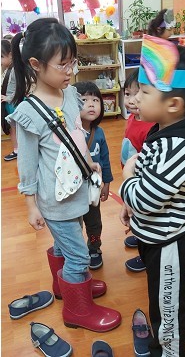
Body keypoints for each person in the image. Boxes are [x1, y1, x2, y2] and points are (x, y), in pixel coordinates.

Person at [6, 18, 121, 333]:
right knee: (79, 255)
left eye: (73, 62)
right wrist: (31, 205)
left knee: (66, 245)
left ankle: (65, 285)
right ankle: (77, 309)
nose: (71, 71)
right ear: (35, 64)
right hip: (55, 200)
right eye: (63, 64)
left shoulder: (69, 94)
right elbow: (27, 163)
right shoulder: (29, 113)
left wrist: (90, 162)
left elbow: (77, 133)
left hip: (77, 188)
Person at [119, 34, 185, 356]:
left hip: (168, 242)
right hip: (157, 235)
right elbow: (151, 185)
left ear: (173, 105)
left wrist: (127, 181)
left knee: (166, 311)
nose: (136, 98)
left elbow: (146, 199)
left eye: (145, 92)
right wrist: (133, 204)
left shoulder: (177, 145)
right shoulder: (163, 130)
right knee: (172, 296)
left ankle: (170, 350)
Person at [72, 81, 113, 270]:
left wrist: (107, 183)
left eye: (95, 100)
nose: (91, 104)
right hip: (73, 189)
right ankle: (75, 250)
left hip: (93, 190)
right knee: (74, 223)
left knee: (94, 222)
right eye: (84, 100)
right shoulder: (69, 132)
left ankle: (94, 248)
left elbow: (105, 159)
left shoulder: (99, 132)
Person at [120, 68, 155, 272]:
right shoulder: (132, 118)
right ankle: (137, 233)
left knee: (142, 214)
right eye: (127, 94)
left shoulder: (151, 126)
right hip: (130, 176)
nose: (132, 100)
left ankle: (145, 255)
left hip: (140, 182)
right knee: (133, 213)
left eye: (138, 93)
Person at [1, 39, 18, 161]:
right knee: (12, 129)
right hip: (8, 104)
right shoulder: (7, 69)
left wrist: (8, 98)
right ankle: (17, 149)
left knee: (16, 129)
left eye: (1, 57)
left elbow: (23, 90)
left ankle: (18, 150)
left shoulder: (15, 70)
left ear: (11, 55)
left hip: (14, 104)